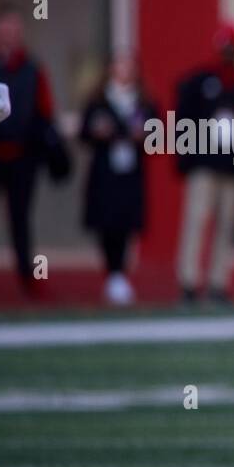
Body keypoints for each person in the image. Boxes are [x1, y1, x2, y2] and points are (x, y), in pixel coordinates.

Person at [174, 20, 234, 304]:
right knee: (196, 221)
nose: (229, 53)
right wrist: (185, 155)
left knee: (226, 226)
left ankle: (218, 283)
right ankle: (188, 281)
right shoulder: (200, 82)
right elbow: (183, 116)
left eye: (232, 48)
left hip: (233, 169)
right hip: (204, 166)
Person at [0, 6, 68, 296]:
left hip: (22, 157)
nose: (10, 36)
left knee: (21, 218)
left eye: (15, 30)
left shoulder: (32, 69)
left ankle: (28, 277)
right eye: (5, 29)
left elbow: (44, 111)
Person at [78, 52, 157, 306]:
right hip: (105, 174)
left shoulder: (144, 102)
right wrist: (98, 132)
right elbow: (84, 133)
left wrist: (142, 136)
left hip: (130, 175)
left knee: (126, 224)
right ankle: (112, 274)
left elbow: (157, 137)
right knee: (107, 223)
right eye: (120, 66)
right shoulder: (98, 102)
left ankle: (120, 274)